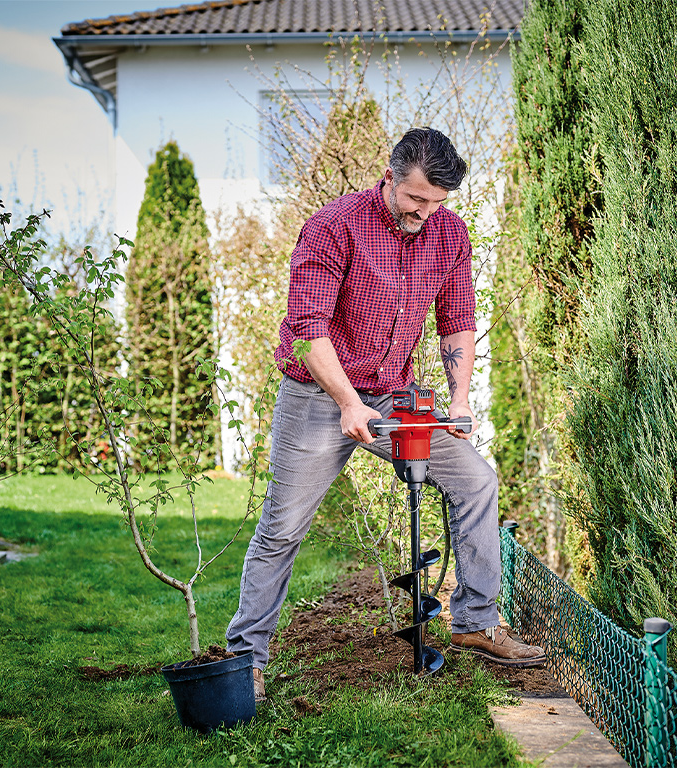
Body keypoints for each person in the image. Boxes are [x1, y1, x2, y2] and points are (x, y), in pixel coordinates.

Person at [226, 128, 546, 702]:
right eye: (416, 199)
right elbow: (306, 329)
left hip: (395, 398)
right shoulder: (335, 225)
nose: (425, 212)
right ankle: (245, 657)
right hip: (318, 397)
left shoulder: (448, 233)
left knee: (476, 482)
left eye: (437, 203)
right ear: (392, 175)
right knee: (282, 528)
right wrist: (347, 402)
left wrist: (460, 398)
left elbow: (458, 320)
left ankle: (475, 624)